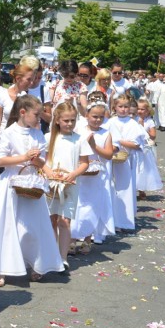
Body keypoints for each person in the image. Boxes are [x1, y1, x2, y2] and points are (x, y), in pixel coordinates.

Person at [0, 95, 63, 286]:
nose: (39, 119)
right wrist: (23, 156)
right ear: (23, 112)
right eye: (36, 115)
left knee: (32, 226)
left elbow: (42, 161)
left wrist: (37, 160)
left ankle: (36, 263)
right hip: (11, 183)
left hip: (31, 183)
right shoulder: (9, 133)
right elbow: (0, 160)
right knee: (7, 227)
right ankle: (0, 268)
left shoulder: (37, 134)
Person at [43, 102, 91, 270]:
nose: (70, 124)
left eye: (73, 120)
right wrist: (49, 173)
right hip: (51, 184)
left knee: (65, 221)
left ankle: (62, 258)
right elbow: (42, 161)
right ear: (57, 120)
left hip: (70, 184)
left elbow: (85, 163)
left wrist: (73, 174)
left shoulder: (80, 139)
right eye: (66, 120)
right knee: (50, 220)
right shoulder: (48, 138)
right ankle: (49, 254)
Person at [72, 98, 114, 251]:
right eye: (94, 116)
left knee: (91, 206)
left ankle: (88, 238)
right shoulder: (79, 129)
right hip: (81, 172)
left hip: (97, 175)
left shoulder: (106, 133)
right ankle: (73, 237)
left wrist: (94, 145)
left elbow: (108, 154)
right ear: (87, 115)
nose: (97, 120)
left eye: (101, 117)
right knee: (77, 205)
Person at [109, 95, 146, 231]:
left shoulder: (133, 124)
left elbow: (137, 144)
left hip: (125, 160)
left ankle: (123, 221)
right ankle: (112, 220)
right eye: (120, 106)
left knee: (125, 189)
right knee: (112, 189)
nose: (123, 109)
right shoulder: (110, 122)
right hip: (112, 159)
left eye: (126, 107)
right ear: (115, 107)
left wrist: (119, 141)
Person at [135, 98, 163, 198]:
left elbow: (153, 135)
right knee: (135, 169)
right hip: (135, 147)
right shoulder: (133, 119)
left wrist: (142, 128)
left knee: (143, 169)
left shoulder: (150, 121)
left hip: (146, 148)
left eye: (143, 109)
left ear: (147, 111)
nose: (140, 111)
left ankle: (141, 189)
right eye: (138, 108)